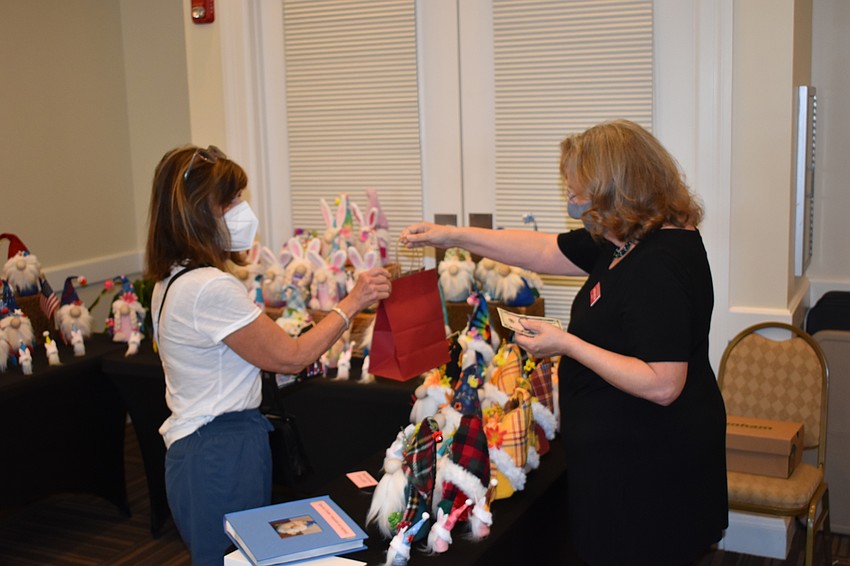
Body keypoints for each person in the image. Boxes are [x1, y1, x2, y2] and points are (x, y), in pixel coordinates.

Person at [401, 119, 727, 565]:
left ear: (616, 189)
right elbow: (540, 249)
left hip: (651, 470)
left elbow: (663, 383)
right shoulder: (626, 241)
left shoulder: (660, 264)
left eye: (578, 192)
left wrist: (567, 344)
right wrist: (453, 236)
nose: (572, 201)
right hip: (622, 461)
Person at [145, 145, 392, 565]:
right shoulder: (209, 286)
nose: (243, 210)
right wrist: (353, 302)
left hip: (206, 449)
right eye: (232, 200)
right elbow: (291, 356)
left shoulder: (172, 280)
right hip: (220, 452)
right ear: (202, 211)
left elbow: (233, 363)